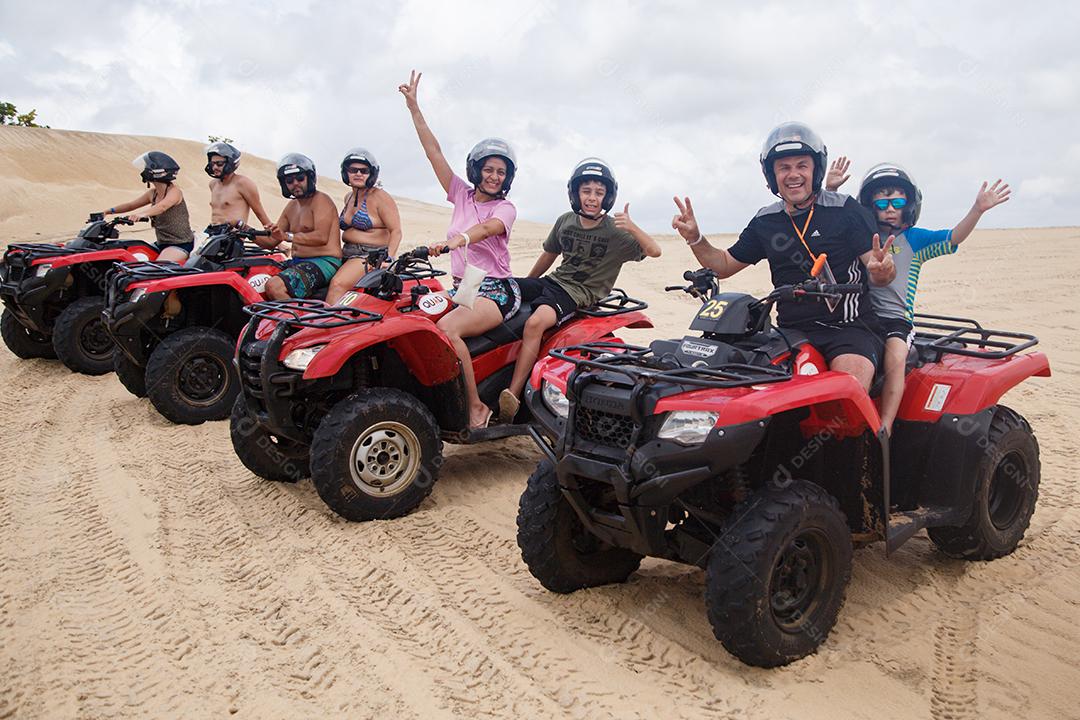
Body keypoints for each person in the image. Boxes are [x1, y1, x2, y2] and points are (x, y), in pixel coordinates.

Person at [672, 121, 896, 395]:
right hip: (792, 331)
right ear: (772, 174)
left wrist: (882, 270)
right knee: (754, 389)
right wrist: (695, 237)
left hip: (850, 329)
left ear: (816, 170)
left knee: (846, 390)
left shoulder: (845, 209)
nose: (793, 175)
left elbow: (879, 270)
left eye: (802, 165)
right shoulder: (767, 220)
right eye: (784, 167)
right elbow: (724, 264)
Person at [843, 163, 1010, 433]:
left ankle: (884, 425)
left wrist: (977, 210)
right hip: (863, 315)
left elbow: (953, 237)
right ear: (869, 206)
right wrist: (832, 189)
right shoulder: (864, 237)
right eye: (882, 202)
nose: (889, 208)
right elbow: (837, 223)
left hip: (897, 320)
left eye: (897, 201)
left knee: (895, 360)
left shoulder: (915, 239)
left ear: (908, 205)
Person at [399, 69, 519, 430]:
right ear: (476, 169)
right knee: (411, 321)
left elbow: (486, 229)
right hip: (460, 285)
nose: (494, 176)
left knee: (448, 330)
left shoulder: (506, 208)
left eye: (501, 171)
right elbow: (432, 151)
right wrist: (414, 108)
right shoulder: (460, 194)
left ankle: (476, 406)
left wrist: (457, 240)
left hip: (494, 289)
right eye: (488, 169)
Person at [497, 158, 661, 422]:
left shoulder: (616, 233)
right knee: (501, 287)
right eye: (586, 191)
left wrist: (631, 226)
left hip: (577, 294)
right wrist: (522, 287)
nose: (592, 198)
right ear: (575, 193)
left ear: (608, 196)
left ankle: (513, 395)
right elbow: (549, 255)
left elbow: (655, 251)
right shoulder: (566, 221)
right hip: (553, 282)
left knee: (535, 323)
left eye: (599, 192)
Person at [326, 147, 403, 305]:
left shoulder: (380, 197)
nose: (358, 174)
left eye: (364, 170)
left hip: (369, 255)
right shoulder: (349, 196)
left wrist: (389, 258)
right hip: (346, 252)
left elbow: (396, 231)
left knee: (337, 284)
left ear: (371, 173)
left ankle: (328, 327)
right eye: (353, 170)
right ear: (345, 172)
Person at [261, 154, 343, 301]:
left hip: (325, 261)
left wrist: (288, 237)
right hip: (297, 261)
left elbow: (321, 237)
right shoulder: (292, 206)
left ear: (310, 178)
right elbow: (271, 240)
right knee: (256, 275)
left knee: (275, 286)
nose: (295, 184)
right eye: (290, 181)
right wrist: (243, 229)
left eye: (300, 178)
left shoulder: (321, 200)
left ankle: (294, 323)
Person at [104, 151, 195, 262]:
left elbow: (162, 206)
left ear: (158, 172)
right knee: (131, 259)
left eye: (147, 167)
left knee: (154, 269)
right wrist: (108, 211)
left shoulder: (175, 191)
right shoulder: (153, 193)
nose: (144, 171)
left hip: (180, 244)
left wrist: (142, 214)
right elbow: (131, 205)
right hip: (161, 244)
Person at [204, 141, 272, 233]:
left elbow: (260, 213)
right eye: (212, 164)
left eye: (219, 163)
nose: (215, 167)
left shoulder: (243, 183)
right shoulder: (213, 184)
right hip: (213, 234)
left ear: (230, 163)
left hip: (232, 237)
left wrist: (275, 240)